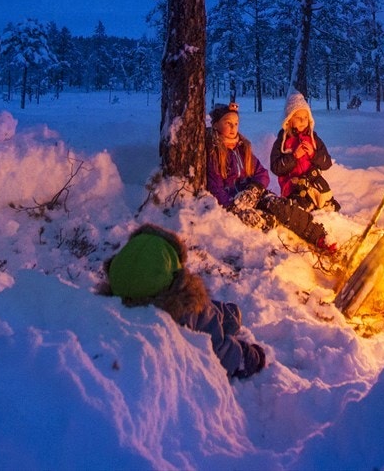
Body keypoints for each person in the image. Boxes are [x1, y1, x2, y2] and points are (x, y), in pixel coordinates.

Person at [99, 223, 267, 380]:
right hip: (200, 321)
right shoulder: (182, 312)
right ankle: (224, 318)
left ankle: (224, 315)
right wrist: (248, 357)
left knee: (205, 311)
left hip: (151, 292)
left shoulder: (120, 291)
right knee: (202, 314)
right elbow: (219, 350)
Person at [206, 103, 334, 254]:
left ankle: (319, 236)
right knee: (259, 222)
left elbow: (262, 173)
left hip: (254, 194)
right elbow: (215, 187)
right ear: (215, 125)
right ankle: (282, 246)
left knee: (283, 208)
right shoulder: (213, 154)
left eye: (236, 123)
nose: (234, 128)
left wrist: (254, 189)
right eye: (228, 123)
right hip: (235, 202)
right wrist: (233, 208)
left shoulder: (242, 148)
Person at [270, 92, 337, 212]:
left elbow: (327, 163)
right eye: (298, 117)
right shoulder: (282, 142)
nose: (302, 120)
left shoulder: (313, 139)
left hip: (313, 184)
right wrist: (294, 157)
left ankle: (326, 208)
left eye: (305, 117)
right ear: (289, 119)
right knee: (301, 208)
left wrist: (313, 154)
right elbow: (276, 168)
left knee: (328, 203)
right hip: (292, 187)